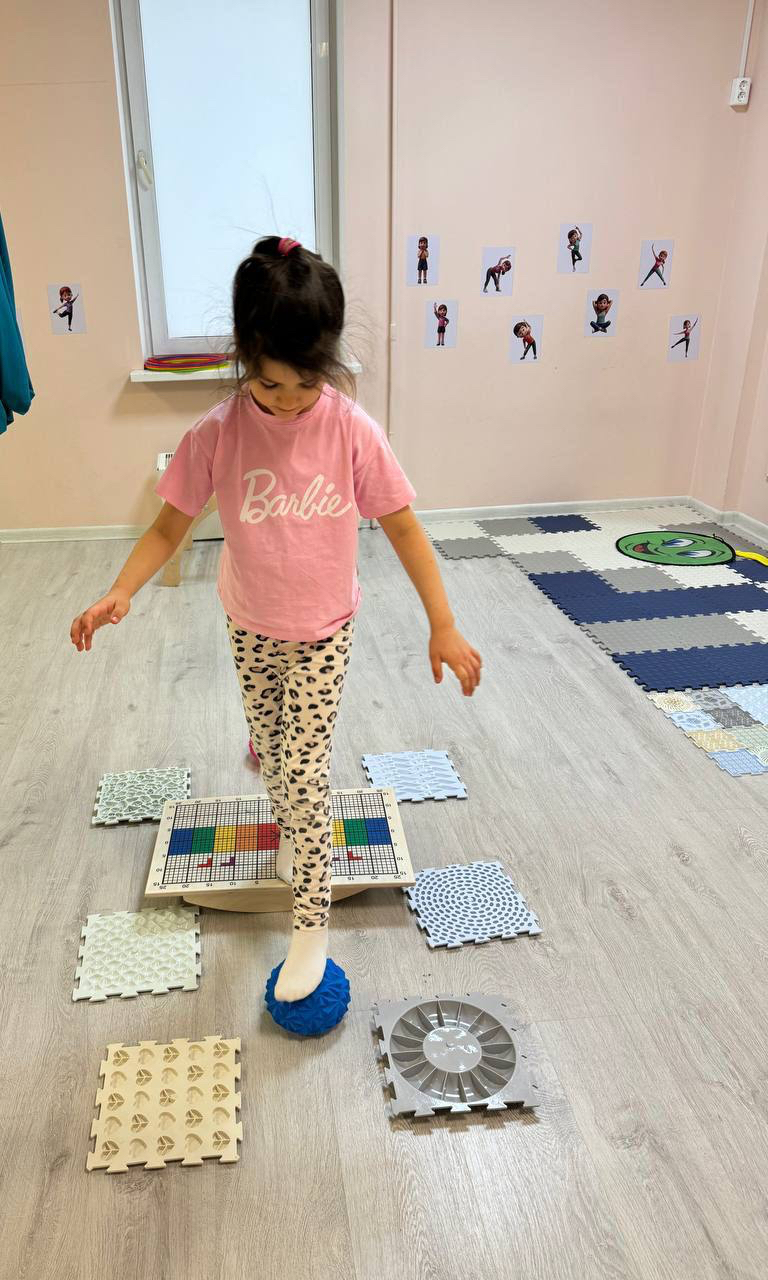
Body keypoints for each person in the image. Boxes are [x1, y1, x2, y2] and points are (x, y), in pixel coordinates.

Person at [70, 236, 482, 1005]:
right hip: (250, 624)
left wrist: (443, 623)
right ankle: (290, 820)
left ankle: (311, 923)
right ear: (243, 356)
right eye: (269, 384)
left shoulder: (350, 429)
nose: (288, 401)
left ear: (328, 364)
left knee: (302, 767)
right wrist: (121, 590)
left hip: (325, 631)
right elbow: (168, 525)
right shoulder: (220, 432)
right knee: (269, 746)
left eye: (304, 384)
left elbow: (403, 527)